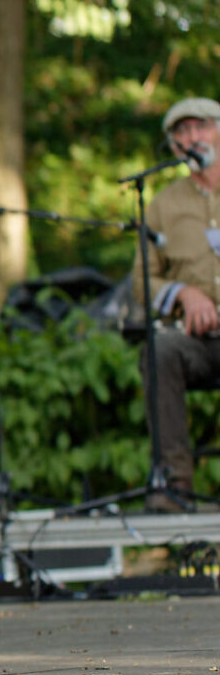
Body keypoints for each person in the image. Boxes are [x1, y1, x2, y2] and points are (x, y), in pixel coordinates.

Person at [130, 96, 220, 513]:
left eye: (199, 127)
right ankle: (174, 483)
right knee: (159, 349)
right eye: (180, 132)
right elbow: (142, 281)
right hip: (200, 339)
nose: (190, 138)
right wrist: (184, 294)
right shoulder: (163, 205)